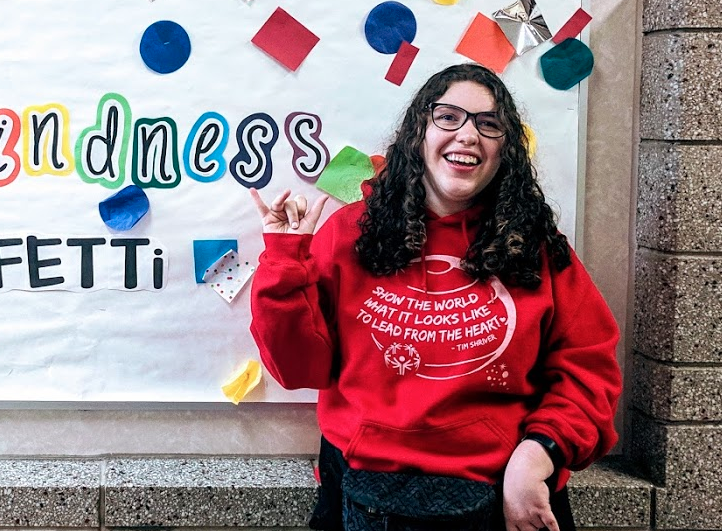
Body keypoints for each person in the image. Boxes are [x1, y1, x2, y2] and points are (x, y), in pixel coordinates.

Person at [248, 63, 621, 531]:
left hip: (504, 495)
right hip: (364, 493)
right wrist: (284, 261)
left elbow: (588, 374)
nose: (468, 135)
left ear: (505, 149)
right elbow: (299, 369)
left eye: (488, 124)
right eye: (448, 117)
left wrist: (538, 454)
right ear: (418, 133)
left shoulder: (538, 247)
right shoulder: (348, 235)